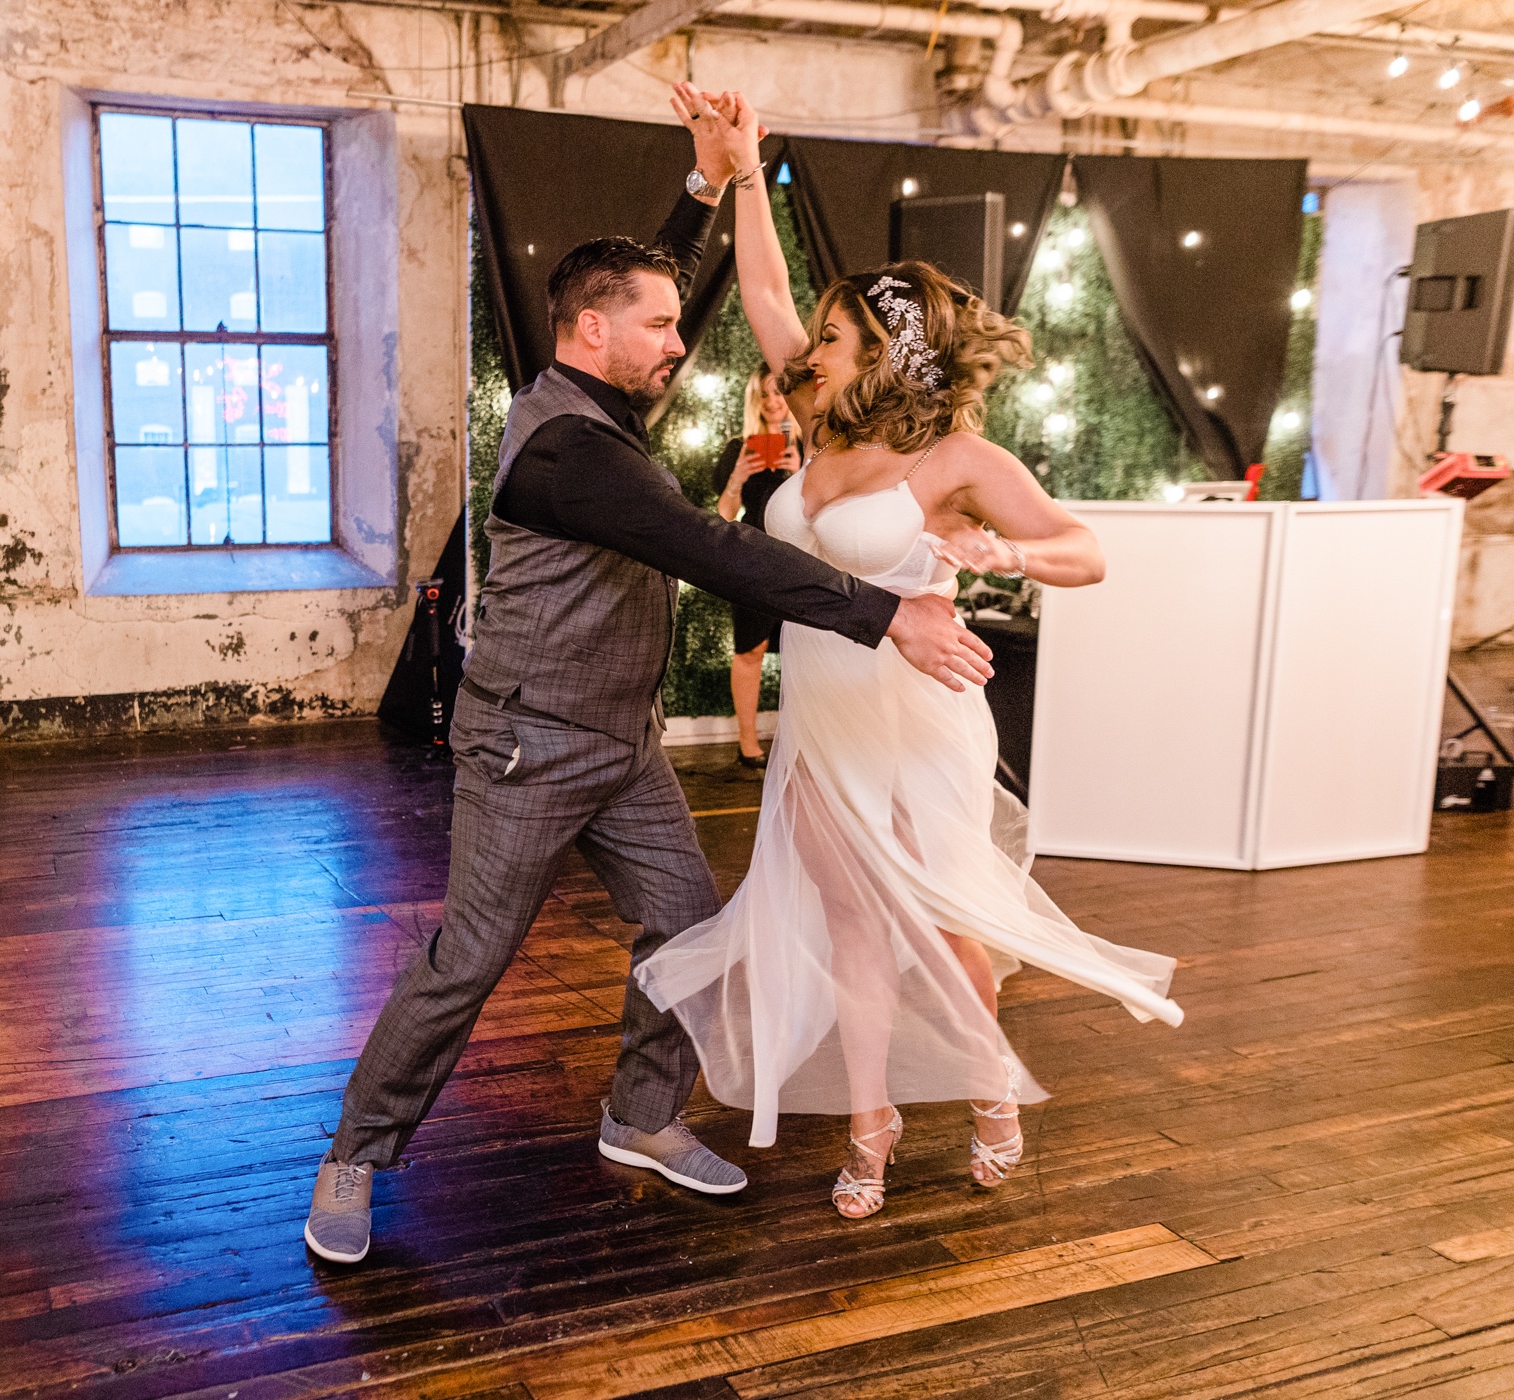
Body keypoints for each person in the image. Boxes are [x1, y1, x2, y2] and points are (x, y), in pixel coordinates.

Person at [302, 110, 996, 1265]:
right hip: (526, 744)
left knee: (688, 923)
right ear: (593, 331)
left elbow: (643, 283)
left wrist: (704, 186)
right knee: (468, 958)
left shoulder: (603, 393)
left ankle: (639, 1114)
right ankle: (355, 1154)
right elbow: (714, 548)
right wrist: (890, 615)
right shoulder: (569, 452)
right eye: (662, 326)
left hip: (622, 742)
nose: (681, 341)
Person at [635, 84, 1184, 1222]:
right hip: (822, 719)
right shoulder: (815, 420)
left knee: (940, 922)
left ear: (887, 351)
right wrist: (745, 168)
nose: (810, 348)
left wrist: (998, 552)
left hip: (919, 719)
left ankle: (990, 1087)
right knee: (852, 932)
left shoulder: (956, 459)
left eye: (833, 338)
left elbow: (1086, 552)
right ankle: (871, 1121)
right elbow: (765, 289)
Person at [712, 370, 801, 767]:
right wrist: (737, 478)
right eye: (763, 395)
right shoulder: (739, 448)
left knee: (805, 648)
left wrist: (800, 472)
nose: (772, 402)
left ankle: (804, 739)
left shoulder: (810, 446)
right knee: (751, 648)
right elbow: (724, 514)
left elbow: (824, 511)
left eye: (779, 393)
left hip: (800, 557)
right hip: (751, 557)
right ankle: (747, 742)